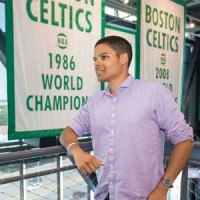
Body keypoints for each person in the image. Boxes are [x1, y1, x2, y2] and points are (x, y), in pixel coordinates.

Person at [60, 36, 193, 200]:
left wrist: (163, 187)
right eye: (95, 59)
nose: (96, 63)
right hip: (105, 195)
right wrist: (76, 150)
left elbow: (185, 140)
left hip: (146, 196)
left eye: (104, 57)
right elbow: (67, 133)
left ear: (123, 58)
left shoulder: (153, 93)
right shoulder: (94, 102)